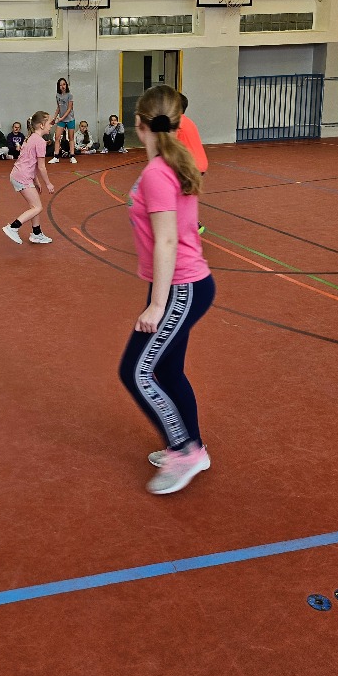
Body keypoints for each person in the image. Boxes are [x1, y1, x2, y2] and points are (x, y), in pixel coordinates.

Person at [118, 85, 215, 495]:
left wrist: (158, 304)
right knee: (169, 370)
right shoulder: (172, 163)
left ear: (139, 124)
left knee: (135, 371)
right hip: (181, 285)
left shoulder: (159, 172)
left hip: (180, 288)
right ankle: (194, 447)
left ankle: (184, 450)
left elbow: (168, 240)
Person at [2, 111, 55, 245]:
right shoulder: (40, 142)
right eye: (50, 123)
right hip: (23, 177)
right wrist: (48, 183)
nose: (51, 125)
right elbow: (41, 167)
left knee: (34, 205)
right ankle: (13, 227)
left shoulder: (30, 138)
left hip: (19, 174)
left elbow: (30, 162)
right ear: (42, 125)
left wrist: (36, 181)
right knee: (37, 207)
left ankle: (36, 233)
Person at [176, 94, 209, 235]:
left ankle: (192, 226)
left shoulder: (176, 123)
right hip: (199, 164)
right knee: (184, 196)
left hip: (191, 166)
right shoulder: (188, 121)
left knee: (176, 196)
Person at [49, 77, 77, 164]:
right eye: (60, 85)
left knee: (71, 138)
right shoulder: (57, 95)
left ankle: (72, 156)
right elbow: (58, 107)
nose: (62, 86)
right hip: (61, 120)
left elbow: (69, 108)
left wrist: (62, 118)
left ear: (66, 85)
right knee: (57, 137)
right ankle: (56, 156)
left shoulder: (70, 95)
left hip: (70, 119)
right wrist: (54, 118)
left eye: (64, 84)